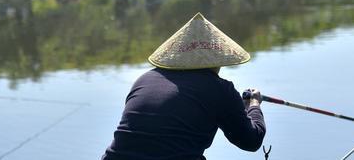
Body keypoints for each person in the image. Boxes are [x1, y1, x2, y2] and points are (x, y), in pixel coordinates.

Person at [102, 13, 266, 160]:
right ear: (218, 59)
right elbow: (251, 141)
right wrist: (254, 105)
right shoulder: (219, 89)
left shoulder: (145, 79)